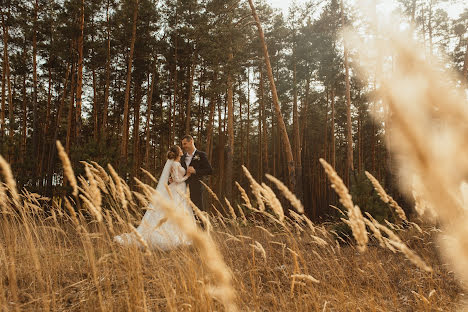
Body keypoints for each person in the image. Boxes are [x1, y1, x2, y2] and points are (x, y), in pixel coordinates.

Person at [113, 145, 195, 250]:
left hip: (180, 190)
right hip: (176, 190)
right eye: (179, 149)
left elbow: (174, 178)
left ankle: (183, 235)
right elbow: (177, 180)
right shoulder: (174, 164)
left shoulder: (177, 163)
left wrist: (175, 178)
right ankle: (172, 237)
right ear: (177, 152)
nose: (181, 150)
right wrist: (187, 175)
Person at [180, 135, 213, 211]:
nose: (184, 146)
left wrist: (195, 171)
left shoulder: (201, 155)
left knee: (198, 212)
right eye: (183, 144)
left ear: (191, 141)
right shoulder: (182, 157)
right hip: (183, 189)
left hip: (196, 188)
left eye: (185, 144)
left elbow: (209, 170)